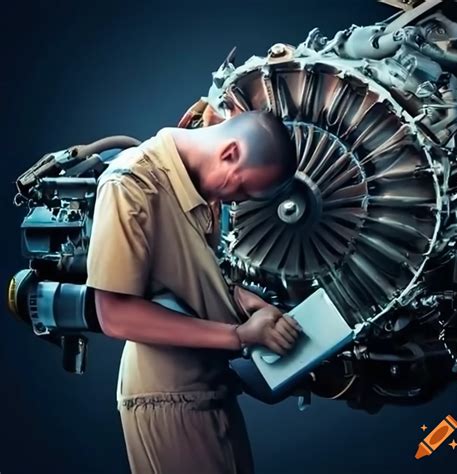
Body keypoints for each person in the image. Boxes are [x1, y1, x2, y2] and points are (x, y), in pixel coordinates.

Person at [86, 109, 300, 474]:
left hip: (211, 387)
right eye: (244, 187)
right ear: (230, 152)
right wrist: (239, 335)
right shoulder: (130, 184)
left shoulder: (201, 187)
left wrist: (243, 300)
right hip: (167, 398)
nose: (238, 200)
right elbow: (114, 314)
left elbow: (184, 274)